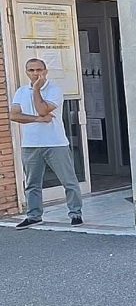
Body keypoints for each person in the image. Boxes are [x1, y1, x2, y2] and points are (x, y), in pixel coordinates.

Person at [9, 58, 83, 228]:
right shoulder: (21, 91)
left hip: (55, 143)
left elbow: (42, 109)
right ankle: (34, 216)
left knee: (69, 181)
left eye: (39, 70)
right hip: (30, 144)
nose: (36, 73)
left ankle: (75, 213)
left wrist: (36, 90)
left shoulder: (54, 90)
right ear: (26, 72)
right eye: (31, 70)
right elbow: (14, 115)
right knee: (32, 183)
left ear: (45, 71)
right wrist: (37, 119)